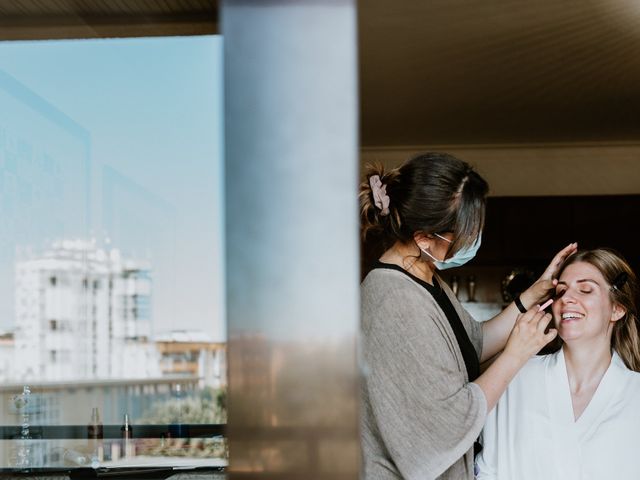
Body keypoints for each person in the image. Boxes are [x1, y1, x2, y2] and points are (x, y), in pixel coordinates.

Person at [359, 151, 577, 480]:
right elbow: (447, 423)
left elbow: (471, 344)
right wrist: (517, 354)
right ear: (424, 238)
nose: (473, 240)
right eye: (465, 233)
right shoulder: (395, 300)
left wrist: (528, 298)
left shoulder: (423, 276)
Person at [475, 248, 640, 480]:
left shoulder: (635, 395)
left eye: (585, 289)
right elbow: (487, 471)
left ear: (617, 309)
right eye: (561, 291)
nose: (566, 299)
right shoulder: (514, 377)